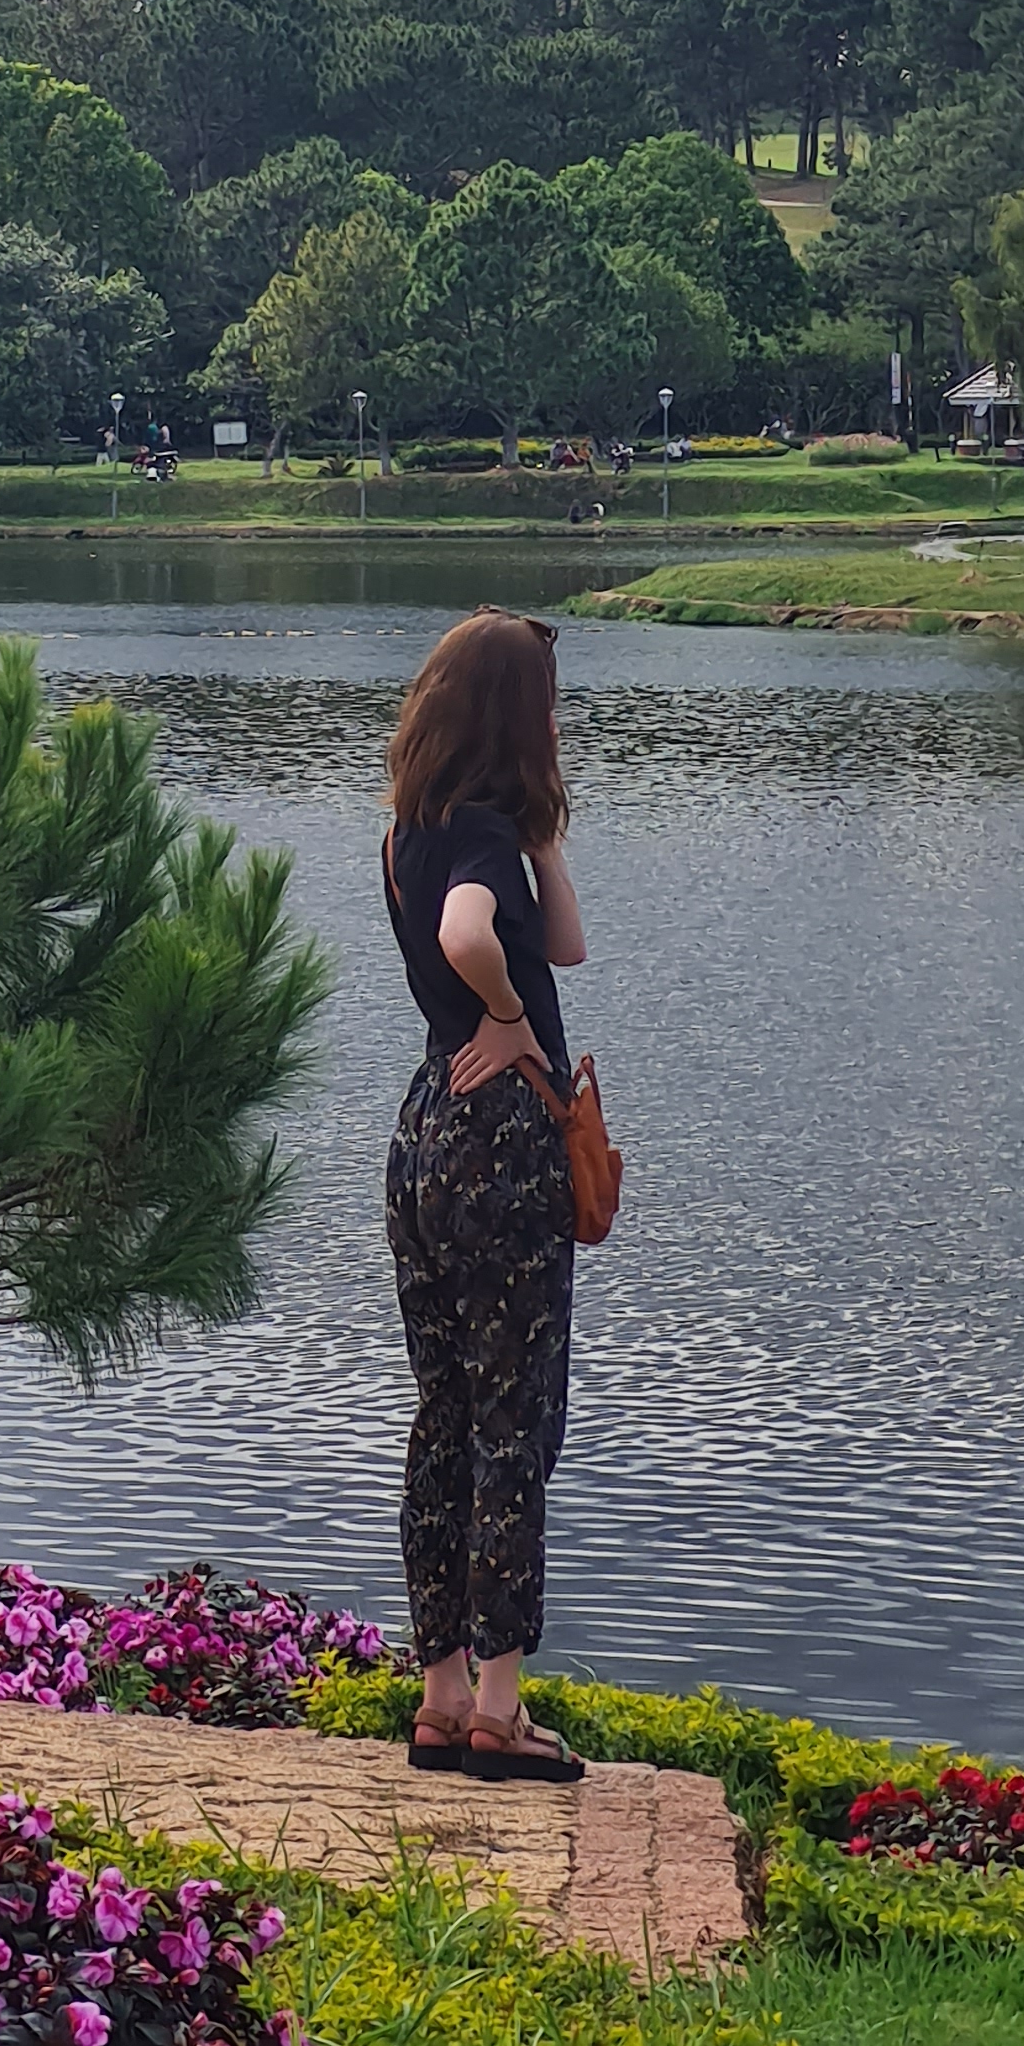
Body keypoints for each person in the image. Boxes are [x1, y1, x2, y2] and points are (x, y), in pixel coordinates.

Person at [380, 609, 590, 1782]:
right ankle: (500, 1713)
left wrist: (544, 836)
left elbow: (565, 945)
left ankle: (442, 1694)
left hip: (426, 1134)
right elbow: (474, 938)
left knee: (446, 1415)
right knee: (515, 1421)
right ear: (516, 714)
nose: (558, 719)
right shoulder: (478, 837)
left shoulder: (420, 827)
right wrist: (509, 1021)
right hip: (503, 1144)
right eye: (546, 703)